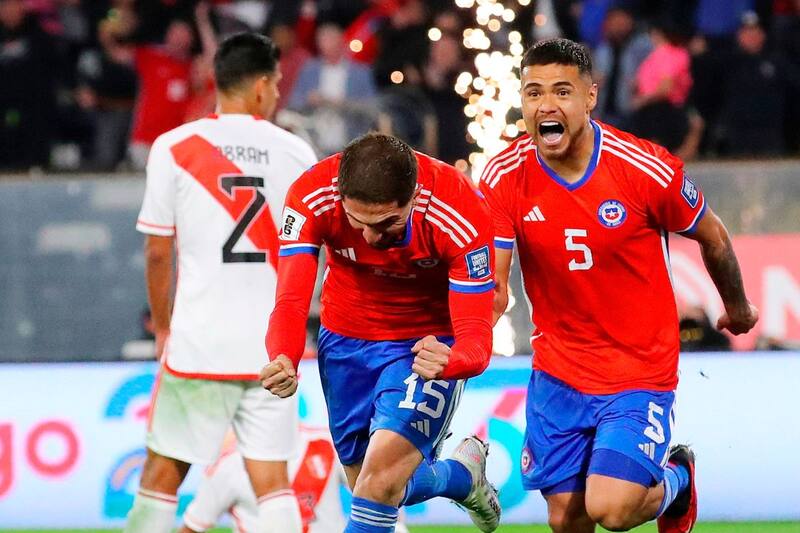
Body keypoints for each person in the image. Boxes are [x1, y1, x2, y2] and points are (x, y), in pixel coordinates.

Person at [479, 38, 758, 533]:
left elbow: (713, 235)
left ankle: (677, 481)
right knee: (567, 519)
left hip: (637, 370)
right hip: (558, 369)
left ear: (590, 97)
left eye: (562, 92)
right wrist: (462, 330)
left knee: (612, 508)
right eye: (533, 92)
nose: (546, 105)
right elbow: (494, 286)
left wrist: (737, 308)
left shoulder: (642, 168)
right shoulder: (504, 175)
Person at [260, 133, 501, 533]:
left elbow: (476, 335)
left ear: (414, 196)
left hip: (425, 347)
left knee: (378, 487)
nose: (371, 238)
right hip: (344, 342)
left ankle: (458, 476)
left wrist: (453, 359)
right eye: (359, 223)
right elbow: (289, 301)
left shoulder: (458, 209)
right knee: (369, 489)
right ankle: (461, 476)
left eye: (388, 223)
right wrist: (283, 354)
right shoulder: (310, 194)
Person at [125, 33, 317, 533]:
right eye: (275, 84)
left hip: (200, 342)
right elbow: (311, 250)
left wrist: (163, 327)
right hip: (272, 348)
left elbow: (157, 250)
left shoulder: (174, 147)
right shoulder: (295, 152)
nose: (277, 94)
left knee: (163, 474)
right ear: (259, 86)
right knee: (273, 481)